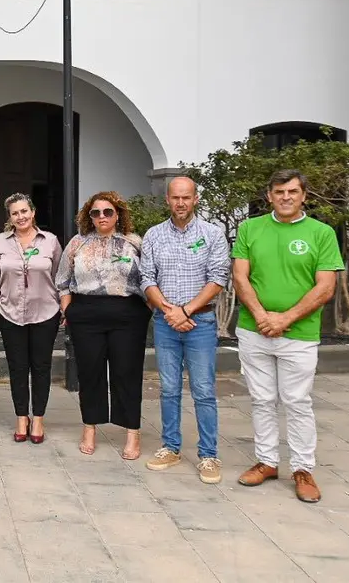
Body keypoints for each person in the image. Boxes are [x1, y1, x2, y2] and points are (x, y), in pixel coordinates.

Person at [232, 169, 343, 504]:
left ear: (303, 195)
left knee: (297, 402)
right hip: (254, 331)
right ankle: (267, 461)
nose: (285, 197)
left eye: (292, 192)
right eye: (279, 192)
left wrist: (286, 318)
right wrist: (264, 317)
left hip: (300, 334)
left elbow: (326, 286)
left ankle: (302, 469)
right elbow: (240, 276)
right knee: (262, 399)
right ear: (269, 196)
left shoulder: (321, 233)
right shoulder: (250, 228)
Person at [140, 177, 230, 484]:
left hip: (200, 323)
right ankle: (171, 447)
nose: (181, 203)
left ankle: (208, 454)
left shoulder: (212, 234)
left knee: (203, 390)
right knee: (168, 389)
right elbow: (146, 279)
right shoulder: (153, 235)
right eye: (176, 197)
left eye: (186, 197)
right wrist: (169, 311)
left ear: (195, 199)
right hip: (166, 323)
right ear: (167, 199)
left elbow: (218, 278)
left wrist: (186, 311)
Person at [55, 191, 150, 460]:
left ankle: (132, 432)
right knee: (90, 373)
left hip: (127, 313)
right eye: (95, 213)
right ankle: (90, 428)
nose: (102, 217)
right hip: (86, 313)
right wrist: (68, 308)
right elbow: (62, 280)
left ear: (118, 214)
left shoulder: (133, 243)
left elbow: (149, 277)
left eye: (107, 212)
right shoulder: (78, 243)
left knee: (126, 373)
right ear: (89, 216)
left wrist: (150, 308)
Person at [0, 193, 62, 444]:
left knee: (41, 367)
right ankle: (22, 416)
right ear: (9, 217)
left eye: (24, 211)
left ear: (33, 212)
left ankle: (39, 418)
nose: (20, 217)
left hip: (45, 312)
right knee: (17, 367)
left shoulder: (50, 241)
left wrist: (62, 305)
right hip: (10, 313)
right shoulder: (0, 241)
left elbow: (59, 276)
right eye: (15, 213)